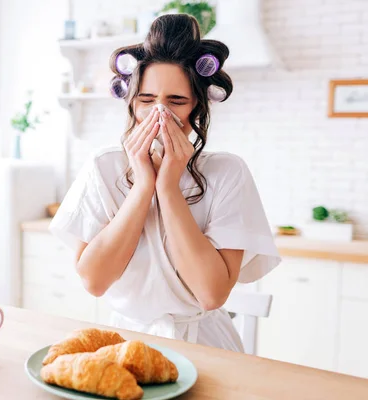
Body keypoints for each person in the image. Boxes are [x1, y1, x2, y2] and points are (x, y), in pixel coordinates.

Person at [48, 14, 281, 352]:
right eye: (146, 100)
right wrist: (143, 185)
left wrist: (168, 187)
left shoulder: (228, 172)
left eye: (176, 101)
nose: (159, 114)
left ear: (197, 107)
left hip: (205, 344)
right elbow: (94, 281)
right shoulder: (104, 167)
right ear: (131, 103)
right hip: (126, 342)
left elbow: (212, 293)